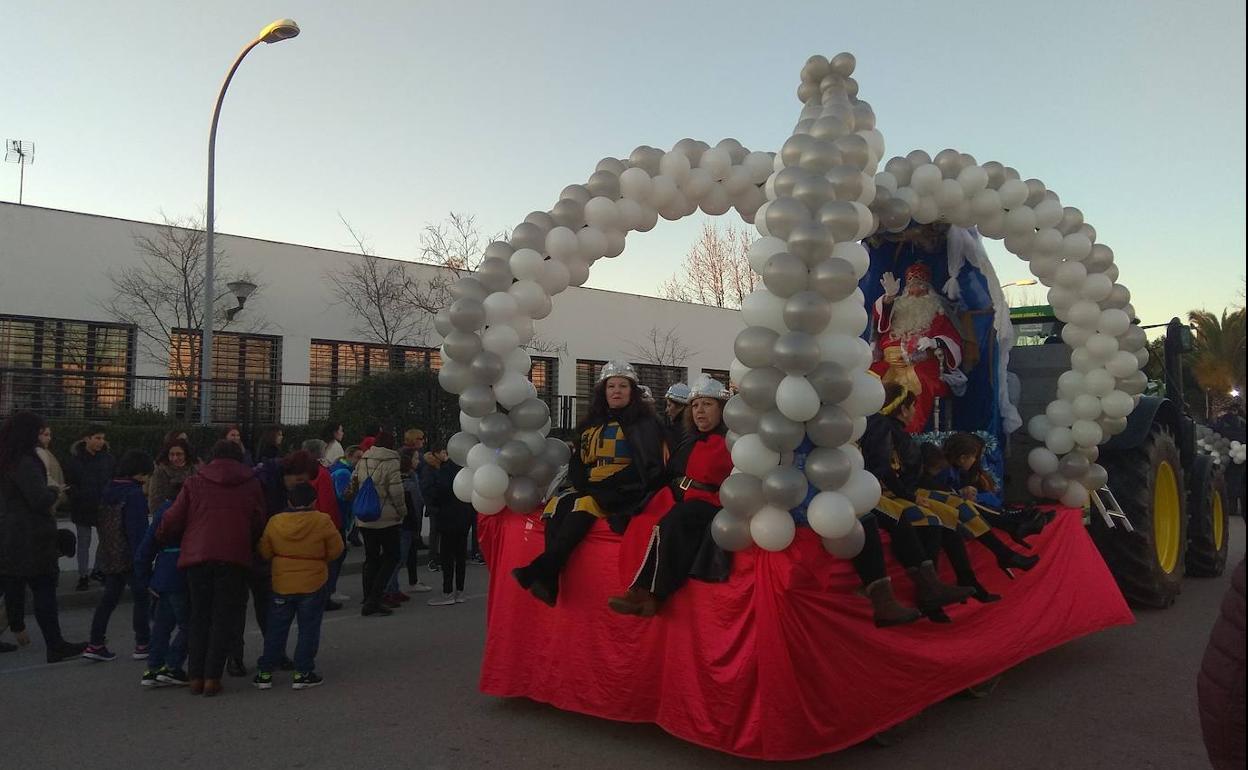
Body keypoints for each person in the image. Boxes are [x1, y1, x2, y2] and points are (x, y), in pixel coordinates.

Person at [511, 360, 667, 607]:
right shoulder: (591, 423)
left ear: (632, 391)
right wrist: (582, 480)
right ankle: (549, 579)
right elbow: (578, 461)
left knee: (584, 503)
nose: (616, 391)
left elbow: (649, 466)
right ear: (603, 392)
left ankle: (542, 568)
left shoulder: (645, 424)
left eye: (623, 386)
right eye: (611, 386)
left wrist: (607, 484)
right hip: (592, 487)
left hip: (627, 490)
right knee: (558, 504)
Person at [609, 375, 734, 616]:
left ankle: (654, 593)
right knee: (642, 518)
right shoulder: (688, 440)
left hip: (710, 502)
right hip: (679, 496)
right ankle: (635, 589)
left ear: (722, 409)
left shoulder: (731, 442)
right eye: (695, 405)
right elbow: (669, 472)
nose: (700, 411)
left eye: (707, 404)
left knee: (674, 520)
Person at [157, 439, 266, 697]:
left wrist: (163, 536)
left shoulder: (194, 482)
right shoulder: (251, 484)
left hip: (198, 555)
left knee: (199, 616)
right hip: (234, 556)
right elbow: (259, 520)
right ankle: (212, 678)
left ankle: (195, 675)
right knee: (223, 618)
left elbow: (172, 517)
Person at [861, 386, 974, 622]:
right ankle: (930, 589)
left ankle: (936, 587)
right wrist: (908, 495)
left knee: (936, 518)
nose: (914, 411)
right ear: (903, 408)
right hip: (874, 490)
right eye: (912, 406)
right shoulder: (880, 424)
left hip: (875, 488)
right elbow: (884, 467)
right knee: (923, 518)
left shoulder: (875, 423)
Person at [0, 411, 87, 663]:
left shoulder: (8, 459)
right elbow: (38, 500)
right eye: (39, 431)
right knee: (44, 592)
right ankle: (55, 644)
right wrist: (53, 490)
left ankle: (21, 628)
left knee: (14, 586)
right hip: (32, 538)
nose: (42, 436)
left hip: (12, 535)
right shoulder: (26, 461)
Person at [231, 450, 317, 675]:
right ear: (288, 473)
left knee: (268, 607)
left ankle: (274, 653)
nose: (299, 486)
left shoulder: (273, 482)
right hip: (242, 549)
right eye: (298, 480)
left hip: (264, 551)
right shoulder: (260, 482)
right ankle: (235, 657)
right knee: (237, 607)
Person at [253, 482, 343, 691]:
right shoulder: (322, 520)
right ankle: (302, 672)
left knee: (276, 629)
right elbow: (336, 549)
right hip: (313, 580)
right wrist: (319, 559)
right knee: (308, 629)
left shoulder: (275, 521)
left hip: (282, 582)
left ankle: (265, 672)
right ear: (314, 501)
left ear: (289, 502)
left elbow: (264, 551)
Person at [869, 262, 963, 432]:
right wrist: (889, 297)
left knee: (921, 381)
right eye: (912, 285)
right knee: (869, 378)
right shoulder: (897, 304)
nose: (916, 289)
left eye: (920, 285)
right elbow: (880, 325)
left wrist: (935, 342)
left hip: (919, 363)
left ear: (928, 288)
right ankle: (871, 430)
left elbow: (953, 339)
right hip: (888, 361)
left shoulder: (937, 310)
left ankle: (908, 433)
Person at [83, 450, 155, 662]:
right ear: (141, 473)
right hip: (132, 556)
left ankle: (95, 643)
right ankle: (143, 643)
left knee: (108, 599)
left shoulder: (109, 489)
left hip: (111, 554)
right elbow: (137, 531)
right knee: (141, 599)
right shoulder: (134, 495)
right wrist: (144, 558)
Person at [939, 432, 1048, 546]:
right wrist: (960, 493)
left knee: (981, 501)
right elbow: (940, 494)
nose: (976, 460)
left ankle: (1014, 518)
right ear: (962, 458)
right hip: (949, 512)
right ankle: (1012, 519)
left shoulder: (958, 471)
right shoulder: (947, 471)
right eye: (975, 457)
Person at [134, 478, 190, 687]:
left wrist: (146, 579)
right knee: (190, 625)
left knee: (162, 626)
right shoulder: (186, 514)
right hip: (181, 575)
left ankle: (153, 668)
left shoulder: (162, 512)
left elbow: (145, 549)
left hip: (161, 576)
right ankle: (173, 666)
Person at [351, 431, 406, 616]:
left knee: (371, 558)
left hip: (365, 517)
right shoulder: (391, 463)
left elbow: (354, 482)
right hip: (386, 517)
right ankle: (375, 597)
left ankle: (368, 598)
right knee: (392, 556)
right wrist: (402, 512)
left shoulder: (364, 459)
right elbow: (397, 493)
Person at [64, 424, 115, 591]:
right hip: (83, 506)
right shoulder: (75, 460)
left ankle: (97, 570)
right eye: (97, 438)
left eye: (102, 438)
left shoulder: (107, 459)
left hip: (103, 505)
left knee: (105, 540)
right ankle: (83, 575)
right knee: (84, 541)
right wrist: (77, 495)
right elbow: (70, 483)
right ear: (87, 439)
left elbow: (112, 479)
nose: (101, 441)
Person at [302, 439, 346, 610]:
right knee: (332, 559)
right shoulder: (321, 472)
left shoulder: (299, 469)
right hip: (321, 520)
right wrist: (334, 524)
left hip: (304, 519)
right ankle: (325, 594)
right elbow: (328, 502)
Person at [427, 455, 474, 606]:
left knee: (447, 557)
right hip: (464, 518)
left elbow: (435, 494)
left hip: (447, 519)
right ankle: (460, 591)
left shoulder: (443, 473)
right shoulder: (467, 473)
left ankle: (447, 592)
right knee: (461, 557)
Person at [386, 451, 432, 603]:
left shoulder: (403, 479)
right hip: (406, 523)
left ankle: (394, 588)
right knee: (399, 558)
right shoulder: (408, 482)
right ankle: (389, 589)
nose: (418, 461)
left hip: (403, 523)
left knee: (400, 557)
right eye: (415, 458)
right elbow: (416, 504)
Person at [147, 438, 196, 512]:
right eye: (172, 454)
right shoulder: (160, 471)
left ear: (186, 454)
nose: (175, 458)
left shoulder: (194, 469)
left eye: (179, 454)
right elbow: (155, 500)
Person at [421, 449, 446, 572]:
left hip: (439, 505)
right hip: (435, 505)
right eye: (442, 452)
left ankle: (438, 557)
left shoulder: (439, 467)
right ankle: (432, 559)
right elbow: (427, 489)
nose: (445, 455)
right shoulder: (429, 470)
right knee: (435, 532)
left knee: (439, 532)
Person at [35, 423, 66, 510]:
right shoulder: (40, 452)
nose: (49, 438)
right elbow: (45, 476)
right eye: (45, 435)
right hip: (46, 501)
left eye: (49, 435)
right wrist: (57, 489)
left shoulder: (43, 451)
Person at [662, 382, 691, 448]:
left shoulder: (676, 432)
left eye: (669, 405)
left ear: (681, 406)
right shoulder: (692, 428)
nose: (666, 410)